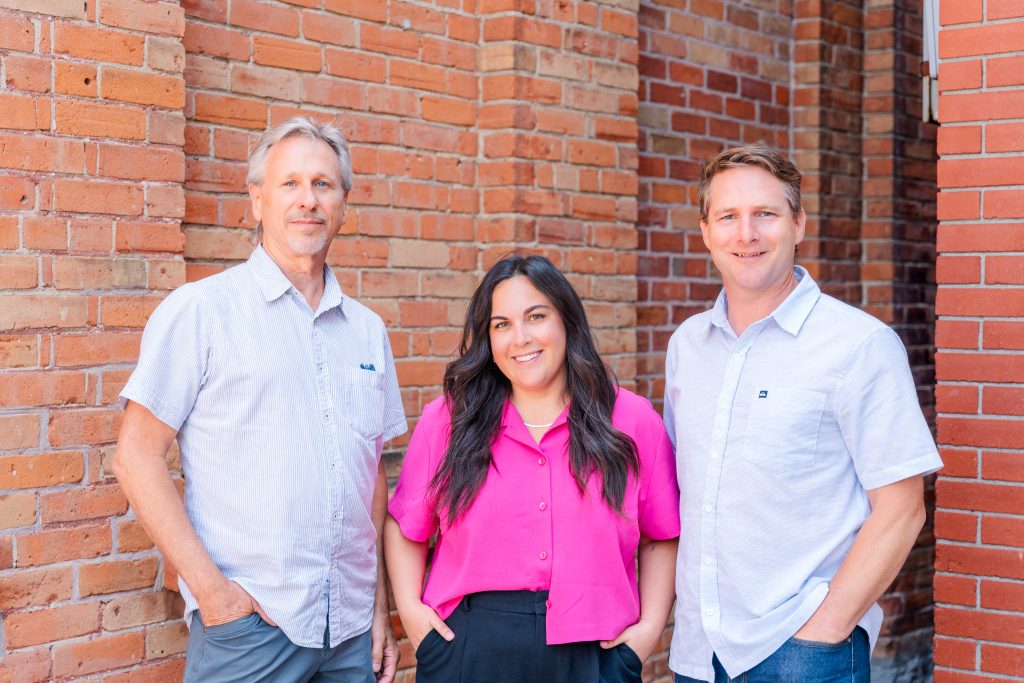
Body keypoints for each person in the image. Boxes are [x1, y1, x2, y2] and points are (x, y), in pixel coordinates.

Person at [112, 117, 406, 682]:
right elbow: (135, 457)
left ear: (343, 202)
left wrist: (376, 610)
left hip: (348, 636)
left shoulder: (368, 332)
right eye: (290, 183)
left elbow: (369, 476)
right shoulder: (201, 312)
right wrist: (214, 595)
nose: (308, 201)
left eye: (323, 184)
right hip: (250, 633)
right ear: (257, 200)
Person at [665, 145, 943, 683]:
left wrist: (824, 630)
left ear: (798, 225)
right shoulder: (688, 347)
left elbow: (902, 509)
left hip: (803, 653)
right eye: (728, 216)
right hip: (699, 653)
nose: (746, 233)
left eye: (765, 214)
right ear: (706, 231)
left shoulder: (858, 345)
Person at [384, 254, 680, 683]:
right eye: (501, 324)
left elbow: (662, 534)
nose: (520, 338)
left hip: (596, 654)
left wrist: (647, 631)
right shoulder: (450, 420)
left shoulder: (632, 421)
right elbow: (405, 525)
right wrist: (414, 617)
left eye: (536, 316)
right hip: (470, 652)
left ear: (566, 321)